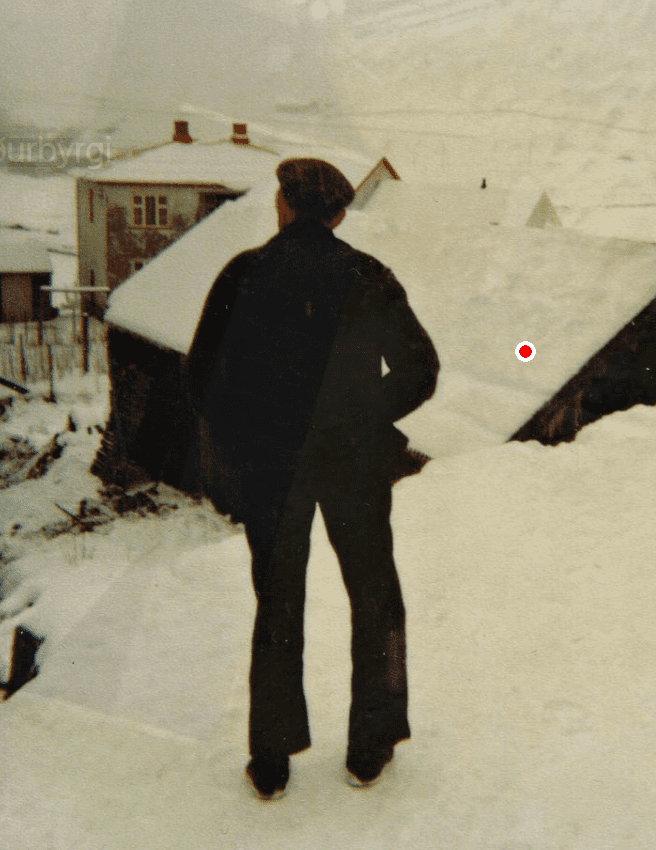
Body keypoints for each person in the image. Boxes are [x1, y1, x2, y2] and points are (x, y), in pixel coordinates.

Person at [185, 158, 440, 800]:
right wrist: (359, 415)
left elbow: (201, 376)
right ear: (340, 214)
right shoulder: (368, 275)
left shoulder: (244, 273)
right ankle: (373, 743)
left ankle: (271, 758)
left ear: (283, 204)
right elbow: (421, 368)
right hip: (354, 461)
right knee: (376, 596)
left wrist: (246, 440)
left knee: (277, 601)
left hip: (272, 466)